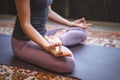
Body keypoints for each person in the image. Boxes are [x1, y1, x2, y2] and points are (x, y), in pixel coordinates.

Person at [11, 0, 91, 73]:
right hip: (23, 42)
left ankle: (57, 39)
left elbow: (49, 12)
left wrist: (71, 24)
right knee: (68, 63)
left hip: (43, 35)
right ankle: (55, 40)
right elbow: (26, 24)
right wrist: (47, 46)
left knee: (81, 31)